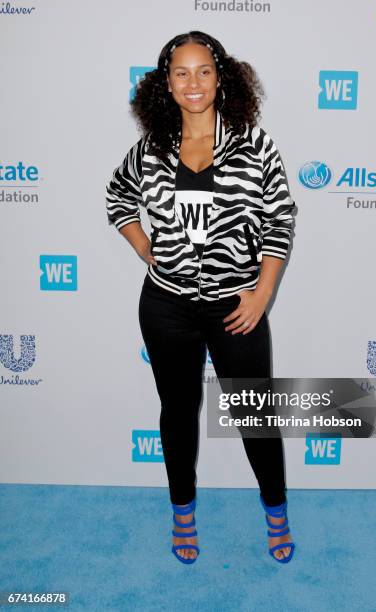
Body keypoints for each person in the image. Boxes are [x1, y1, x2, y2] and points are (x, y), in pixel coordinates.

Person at [105, 31, 296, 564]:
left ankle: (276, 513)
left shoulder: (254, 144)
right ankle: (182, 513)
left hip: (237, 308)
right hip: (166, 308)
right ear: (166, 84)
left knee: (255, 415)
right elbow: (117, 197)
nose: (194, 83)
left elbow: (280, 221)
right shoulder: (150, 150)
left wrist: (262, 294)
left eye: (204, 71)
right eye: (182, 73)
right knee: (178, 411)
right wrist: (145, 248)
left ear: (222, 78)